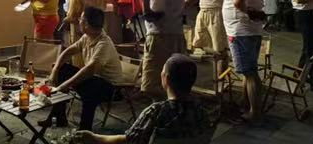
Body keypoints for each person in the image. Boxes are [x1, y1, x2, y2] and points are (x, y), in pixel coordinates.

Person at [74, 54, 212, 144]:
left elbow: (129, 140)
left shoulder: (156, 112)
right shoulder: (203, 113)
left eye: (162, 71)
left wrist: (95, 137)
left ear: (166, 78)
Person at [42, 7, 122, 131]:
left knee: (92, 88)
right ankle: (59, 117)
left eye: (81, 19)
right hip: (93, 78)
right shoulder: (87, 36)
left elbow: (89, 70)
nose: (79, 21)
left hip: (110, 87)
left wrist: (63, 86)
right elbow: (67, 52)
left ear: (86, 24)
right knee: (63, 69)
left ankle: (84, 130)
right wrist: (54, 72)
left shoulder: (104, 43)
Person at [222, 0, 265, 122]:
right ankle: (246, 103)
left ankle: (255, 112)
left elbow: (238, 1)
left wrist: (248, 11)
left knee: (250, 73)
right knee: (249, 70)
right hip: (251, 31)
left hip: (240, 32)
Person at [65, 0, 107, 65]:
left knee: (79, 60)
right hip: (98, 29)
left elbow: (72, 14)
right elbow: (103, 6)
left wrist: (66, 19)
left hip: (80, 30)